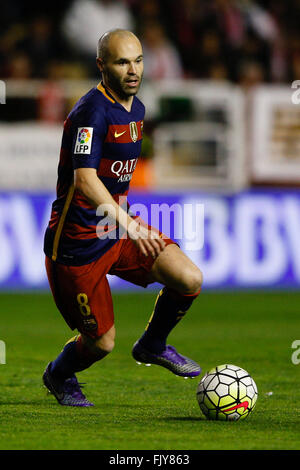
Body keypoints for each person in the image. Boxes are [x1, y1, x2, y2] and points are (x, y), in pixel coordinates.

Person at [43, 29, 203, 407]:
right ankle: (59, 374)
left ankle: (152, 344)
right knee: (102, 343)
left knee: (189, 278)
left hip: (115, 230)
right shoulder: (90, 112)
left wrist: (127, 224)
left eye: (138, 60)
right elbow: (85, 180)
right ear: (102, 65)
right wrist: (130, 224)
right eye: (121, 62)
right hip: (77, 246)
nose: (133, 70)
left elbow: (118, 177)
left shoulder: (137, 110)